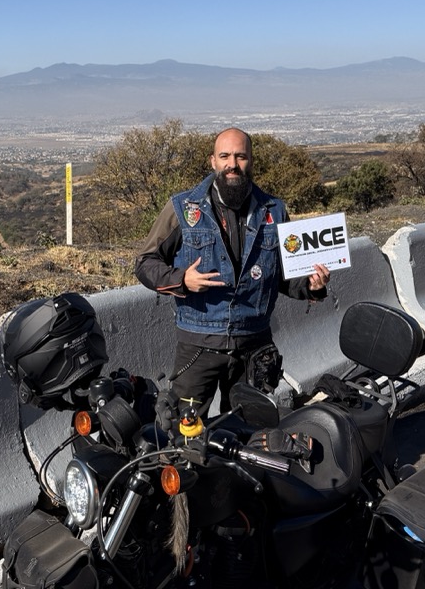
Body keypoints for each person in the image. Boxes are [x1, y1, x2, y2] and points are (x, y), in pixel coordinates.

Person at [135, 127, 330, 413]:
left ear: (251, 161)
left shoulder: (274, 211)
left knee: (248, 436)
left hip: (254, 344)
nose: (232, 164)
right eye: (224, 156)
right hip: (198, 346)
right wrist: (182, 280)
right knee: (187, 437)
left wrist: (312, 285)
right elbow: (145, 263)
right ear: (212, 161)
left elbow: (286, 275)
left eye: (240, 156)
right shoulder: (182, 209)